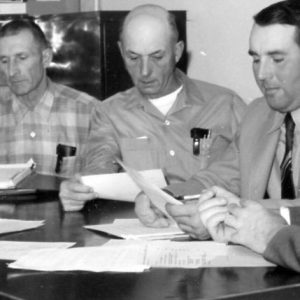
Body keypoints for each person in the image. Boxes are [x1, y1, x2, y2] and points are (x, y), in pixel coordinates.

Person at [152, 0, 300, 272]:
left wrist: (236, 214)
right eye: (256, 58)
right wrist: (165, 197)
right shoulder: (258, 113)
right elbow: (221, 176)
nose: (262, 74)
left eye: (277, 59)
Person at [59, 4, 246, 211]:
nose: (145, 71)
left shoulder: (225, 105)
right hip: (144, 229)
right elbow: (98, 168)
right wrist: (78, 191)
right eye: (133, 58)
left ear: (177, 51)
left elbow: (249, 173)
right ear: (121, 51)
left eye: (157, 57)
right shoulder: (109, 113)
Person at [0, 18, 100, 177]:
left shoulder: (88, 112)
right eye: (4, 60)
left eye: (22, 57)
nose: (12, 71)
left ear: (45, 58)